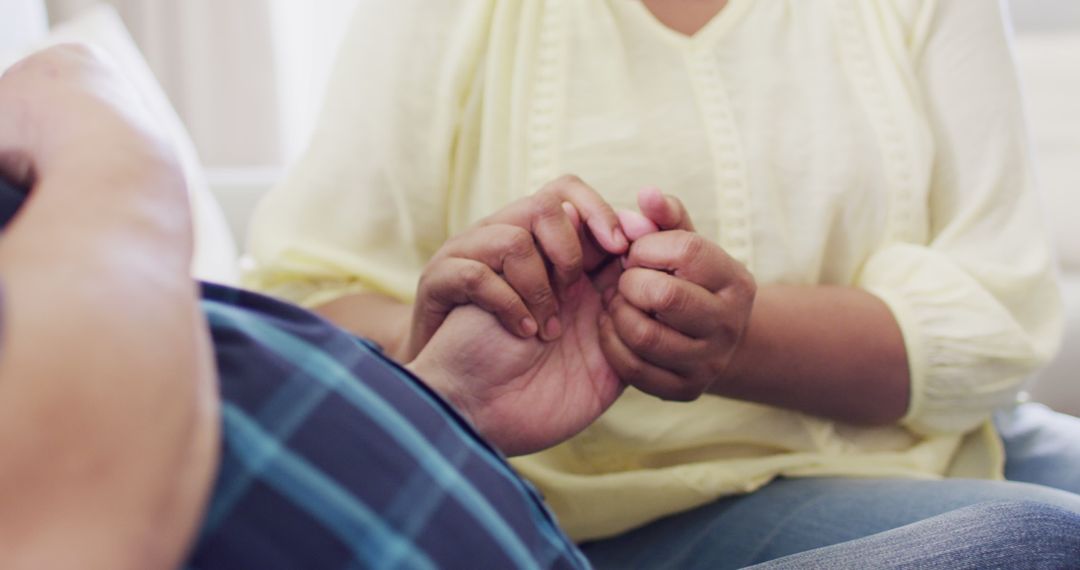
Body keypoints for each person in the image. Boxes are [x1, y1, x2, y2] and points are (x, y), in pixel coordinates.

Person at [4, 45, 1080, 570]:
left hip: (950, 431)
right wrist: (431, 331)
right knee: (1039, 546)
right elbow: (299, 296)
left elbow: (999, 320)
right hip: (627, 505)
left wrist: (739, 341)